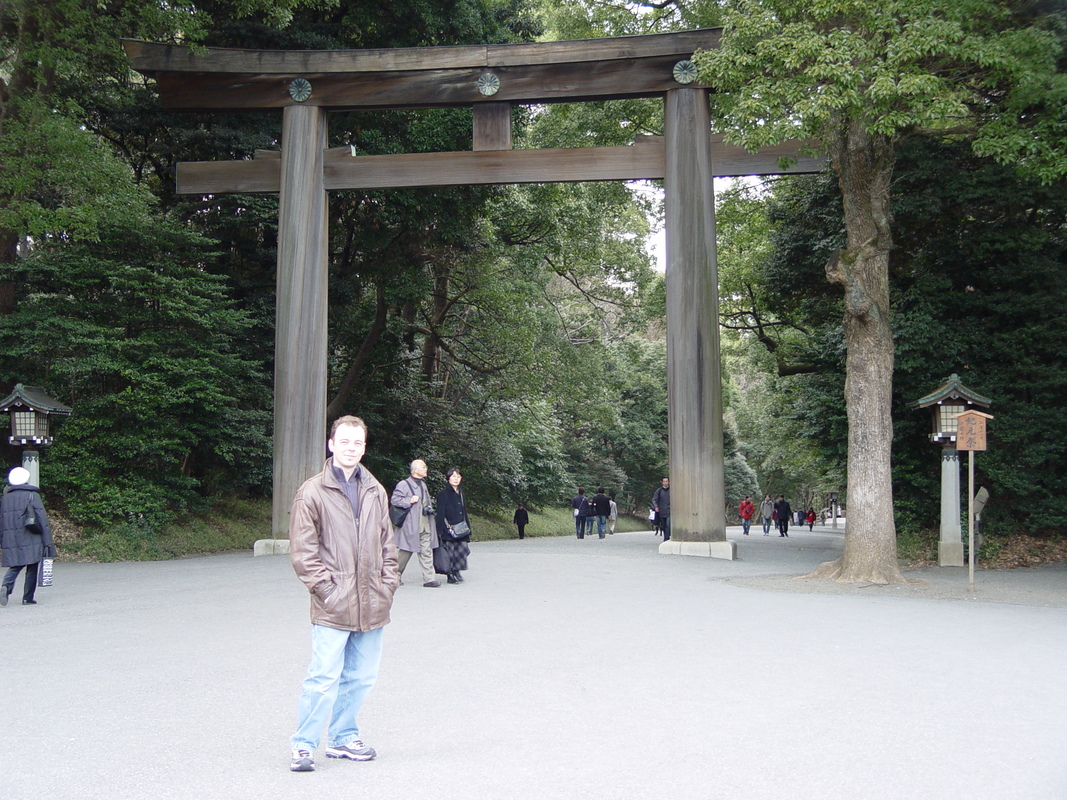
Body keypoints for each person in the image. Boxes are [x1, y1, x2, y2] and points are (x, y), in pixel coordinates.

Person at [288, 415, 399, 773]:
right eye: (345, 441)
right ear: (331, 444)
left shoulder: (375, 489)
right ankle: (304, 745)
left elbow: (388, 543)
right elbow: (304, 554)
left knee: (362, 676)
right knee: (322, 678)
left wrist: (388, 584)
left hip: (373, 601)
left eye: (358, 443)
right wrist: (329, 592)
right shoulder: (312, 492)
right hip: (333, 603)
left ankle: (342, 738)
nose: (351, 448)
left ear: (364, 448)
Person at [1, 466, 55, 607]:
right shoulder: (32, 495)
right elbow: (42, 519)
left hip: (12, 536)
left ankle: (6, 586)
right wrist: (47, 541)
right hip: (31, 535)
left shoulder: (5, 498)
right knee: (32, 565)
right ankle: (27, 598)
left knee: (16, 565)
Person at [389, 459, 440, 588]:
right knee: (405, 553)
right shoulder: (403, 484)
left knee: (426, 551)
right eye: (423, 467)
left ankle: (429, 578)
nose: (426, 469)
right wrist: (409, 500)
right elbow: (395, 500)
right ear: (415, 470)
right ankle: (395, 575)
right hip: (410, 526)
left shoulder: (423, 485)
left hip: (424, 524)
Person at [435, 468, 471, 584]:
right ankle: (449, 574)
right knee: (449, 551)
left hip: (461, 527)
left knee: (461, 550)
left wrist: (468, 527)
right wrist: (439, 530)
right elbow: (440, 512)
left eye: (458, 477)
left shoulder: (461, 493)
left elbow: (464, 511)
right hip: (448, 527)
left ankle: (457, 570)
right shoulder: (443, 494)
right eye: (453, 476)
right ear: (448, 478)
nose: (456, 479)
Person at [653, 477, 671, 541]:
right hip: (661, 511)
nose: (665, 483)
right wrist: (656, 506)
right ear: (662, 482)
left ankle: (666, 538)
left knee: (668, 525)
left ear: (669, 482)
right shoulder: (659, 491)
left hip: (669, 511)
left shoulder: (671, 490)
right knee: (663, 525)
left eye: (667, 481)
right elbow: (654, 499)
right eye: (664, 481)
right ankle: (666, 537)